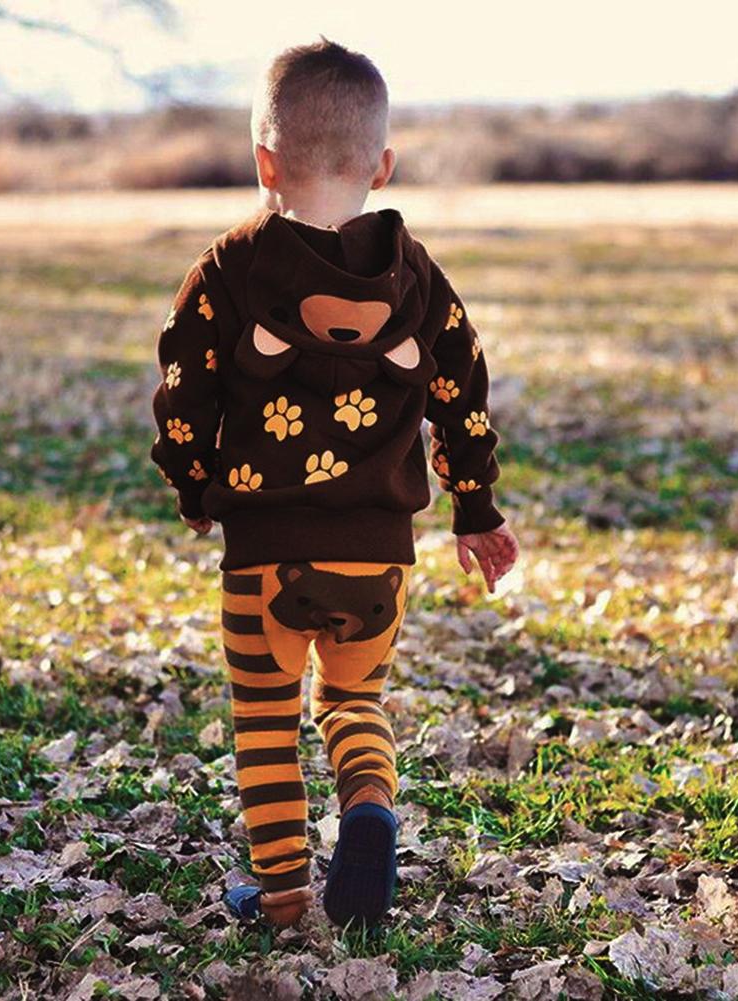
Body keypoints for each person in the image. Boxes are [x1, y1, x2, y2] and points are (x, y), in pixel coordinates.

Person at [150, 37, 519, 931]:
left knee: (267, 723)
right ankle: (368, 809)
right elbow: (461, 390)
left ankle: (281, 900)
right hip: (376, 555)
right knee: (354, 701)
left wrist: (196, 487)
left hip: (266, 557)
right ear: (382, 165)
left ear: (262, 161)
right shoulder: (417, 276)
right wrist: (475, 509)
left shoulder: (228, 268)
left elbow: (183, 389)